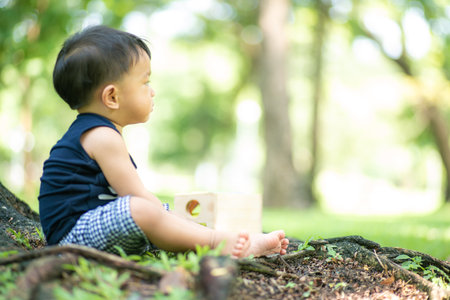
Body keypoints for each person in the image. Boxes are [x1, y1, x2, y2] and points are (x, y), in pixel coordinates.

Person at [39, 25, 289, 258]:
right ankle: (217, 242)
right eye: (145, 82)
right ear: (112, 96)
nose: (152, 90)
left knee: (162, 211)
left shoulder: (97, 133)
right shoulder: (102, 136)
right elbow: (135, 198)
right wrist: (164, 215)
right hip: (72, 241)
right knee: (144, 209)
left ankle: (231, 240)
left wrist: (171, 217)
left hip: (95, 229)